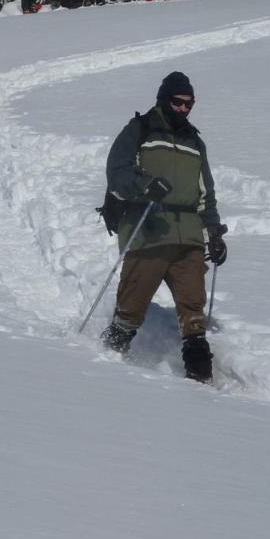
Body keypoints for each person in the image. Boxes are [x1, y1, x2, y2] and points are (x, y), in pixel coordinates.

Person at [99, 71, 228, 383]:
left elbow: (205, 192)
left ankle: (201, 379)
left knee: (194, 311)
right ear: (163, 99)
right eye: (178, 102)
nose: (184, 109)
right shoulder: (140, 129)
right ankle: (104, 364)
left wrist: (213, 233)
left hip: (188, 236)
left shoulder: (194, 142)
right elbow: (117, 171)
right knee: (132, 306)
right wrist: (143, 184)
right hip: (149, 232)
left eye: (189, 104)